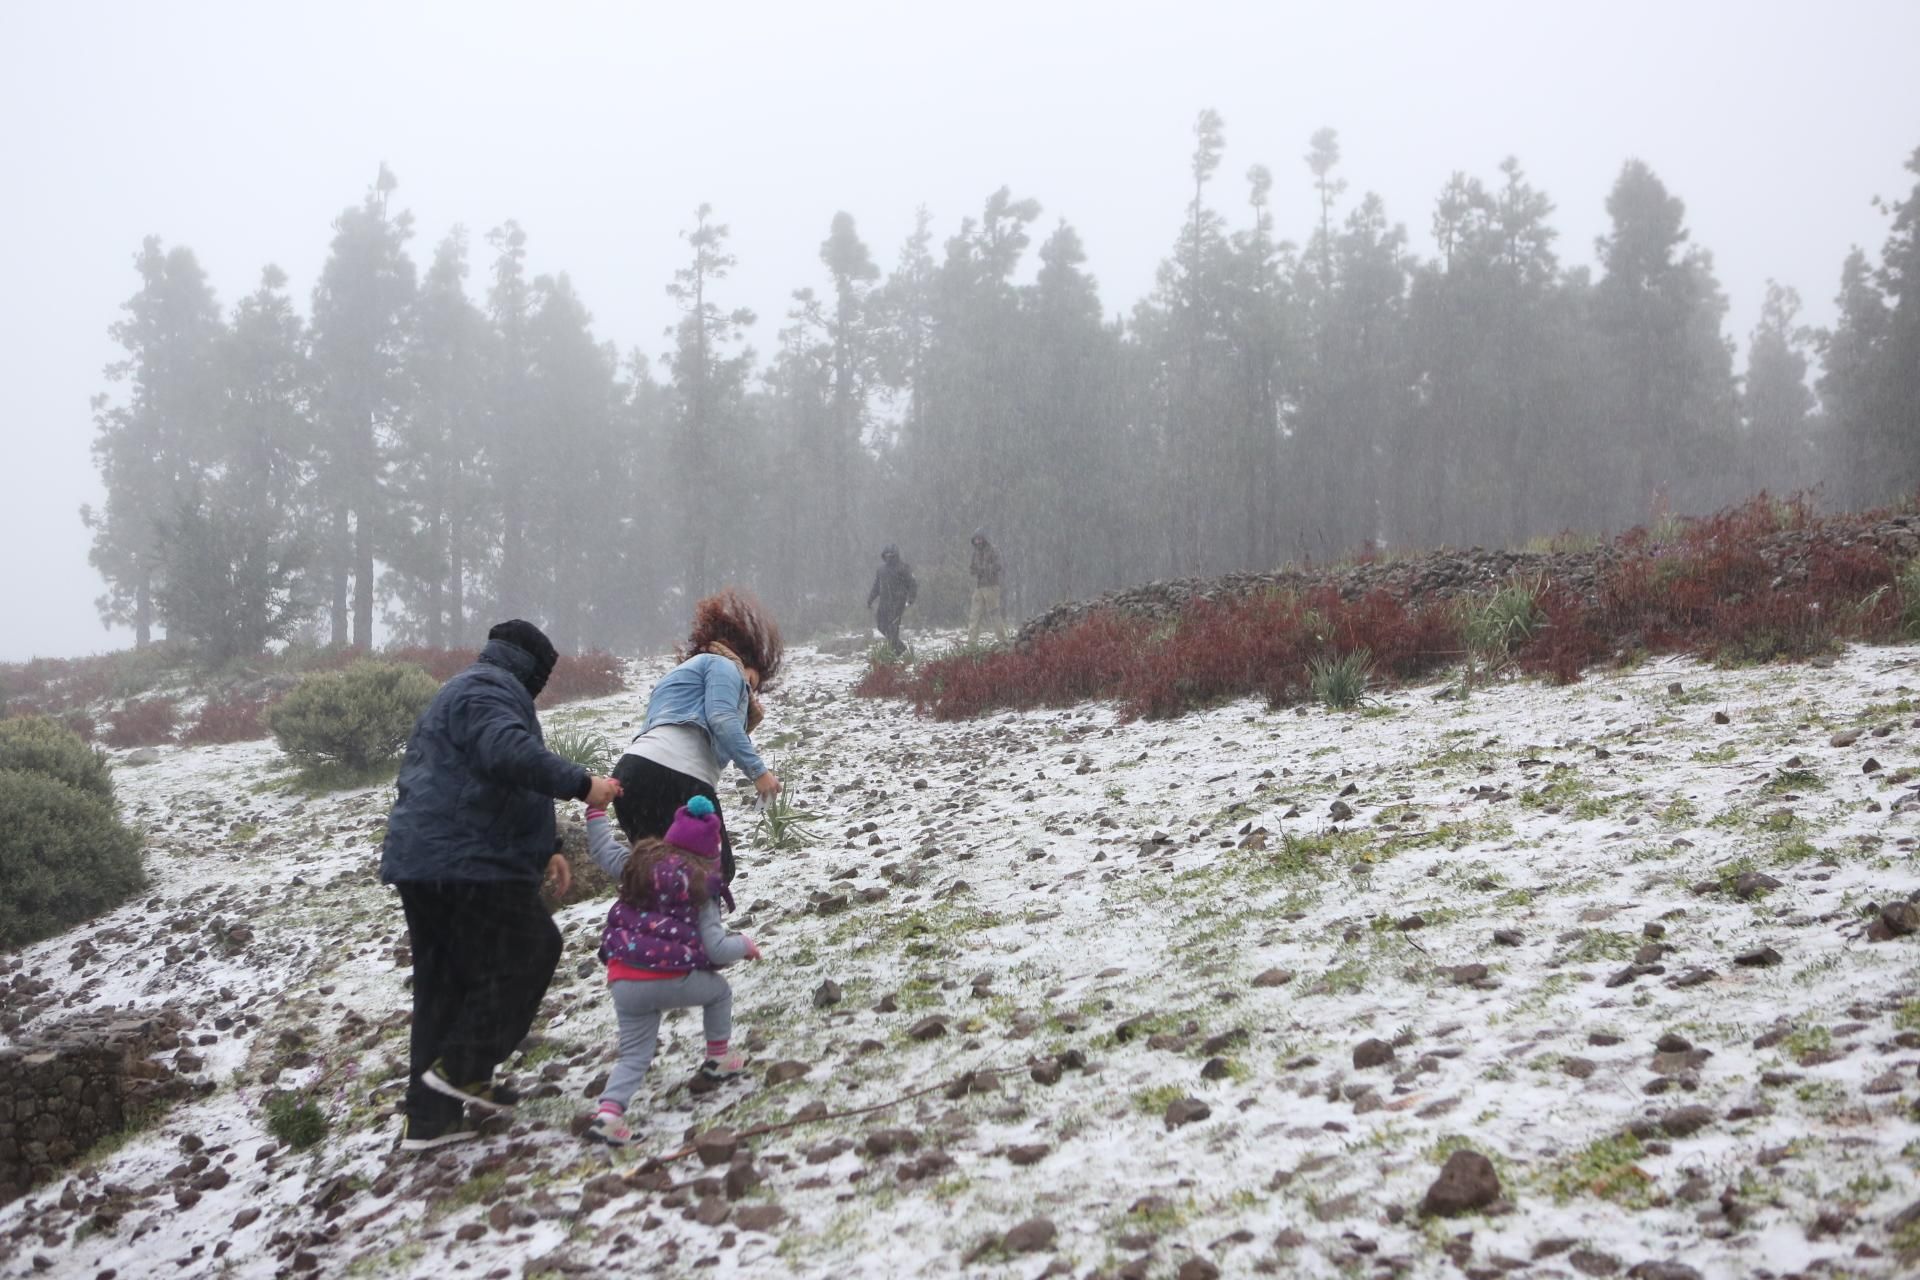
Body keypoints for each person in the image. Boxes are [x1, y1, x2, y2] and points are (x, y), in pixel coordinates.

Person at [380, 619, 623, 1152]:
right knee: (533, 947)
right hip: (470, 861)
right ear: (532, 666)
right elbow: (508, 754)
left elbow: (490, 779)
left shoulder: (464, 691)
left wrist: (550, 848)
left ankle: (430, 1121)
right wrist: (586, 785)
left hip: (422, 860)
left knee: (443, 985)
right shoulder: (492, 691)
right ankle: (466, 1066)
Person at [581, 795, 759, 1146]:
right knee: (719, 992)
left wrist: (596, 810)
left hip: (624, 978)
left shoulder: (637, 866)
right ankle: (718, 1058)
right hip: (671, 977)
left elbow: (602, 848)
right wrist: (746, 945)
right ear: (711, 853)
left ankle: (608, 1115)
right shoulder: (701, 888)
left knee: (634, 1055)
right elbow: (716, 949)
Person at [611, 590, 782, 885]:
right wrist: (759, 772)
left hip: (631, 775)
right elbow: (722, 718)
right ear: (746, 659)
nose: (750, 695)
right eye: (752, 684)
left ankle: (655, 930)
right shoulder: (725, 665)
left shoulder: (678, 677)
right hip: (676, 776)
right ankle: (701, 932)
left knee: (659, 879)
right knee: (714, 873)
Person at [867, 544, 918, 657]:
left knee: (893, 628)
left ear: (896, 555)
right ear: (884, 556)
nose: (889, 557)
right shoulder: (881, 570)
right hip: (884, 603)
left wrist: (910, 599)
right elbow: (876, 587)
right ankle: (900, 648)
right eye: (887, 555)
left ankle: (894, 653)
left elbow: (912, 584)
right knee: (881, 626)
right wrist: (870, 600)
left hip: (898, 603)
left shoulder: (904, 568)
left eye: (891, 555)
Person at [967, 528, 1008, 647]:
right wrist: (976, 571)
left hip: (992, 586)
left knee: (994, 614)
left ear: (984, 539)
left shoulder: (993, 550)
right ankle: (971, 644)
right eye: (976, 540)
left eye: (979, 539)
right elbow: (971, 569)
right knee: (974, 616)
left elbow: (999, 565)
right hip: (979, 587)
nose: (977, 542)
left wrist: (985, 570)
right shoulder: (975, 553)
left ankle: (1003, 641)